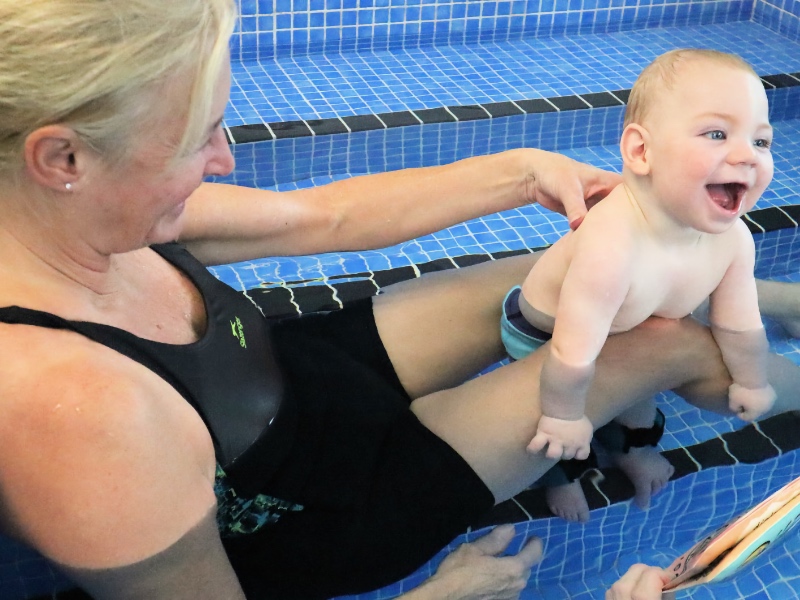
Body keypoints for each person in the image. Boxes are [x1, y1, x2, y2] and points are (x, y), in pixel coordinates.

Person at [2, 2, 800, 598]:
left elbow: (328, 215)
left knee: (571, 266)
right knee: (666, 343)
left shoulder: (68, 212)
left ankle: (769, 295)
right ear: (62, 155)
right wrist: (434, 596)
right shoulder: (73, 408)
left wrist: (526, 169)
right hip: (325, 506)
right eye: (196, 136)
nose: (226, 155)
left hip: (299, 376)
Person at [501, 49, 777, 522]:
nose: (746, 156)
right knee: (543, 417)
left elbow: (738, 322)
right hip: (546, 334)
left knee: (640, 389)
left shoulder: (733, 239)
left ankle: (631, 447)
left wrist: (752, 379)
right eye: (717, 134)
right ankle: (559, 474)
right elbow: (572, 356)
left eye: (762, 141)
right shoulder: (613, 245)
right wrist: (565, 417)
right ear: (641, 152)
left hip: (628, 326)